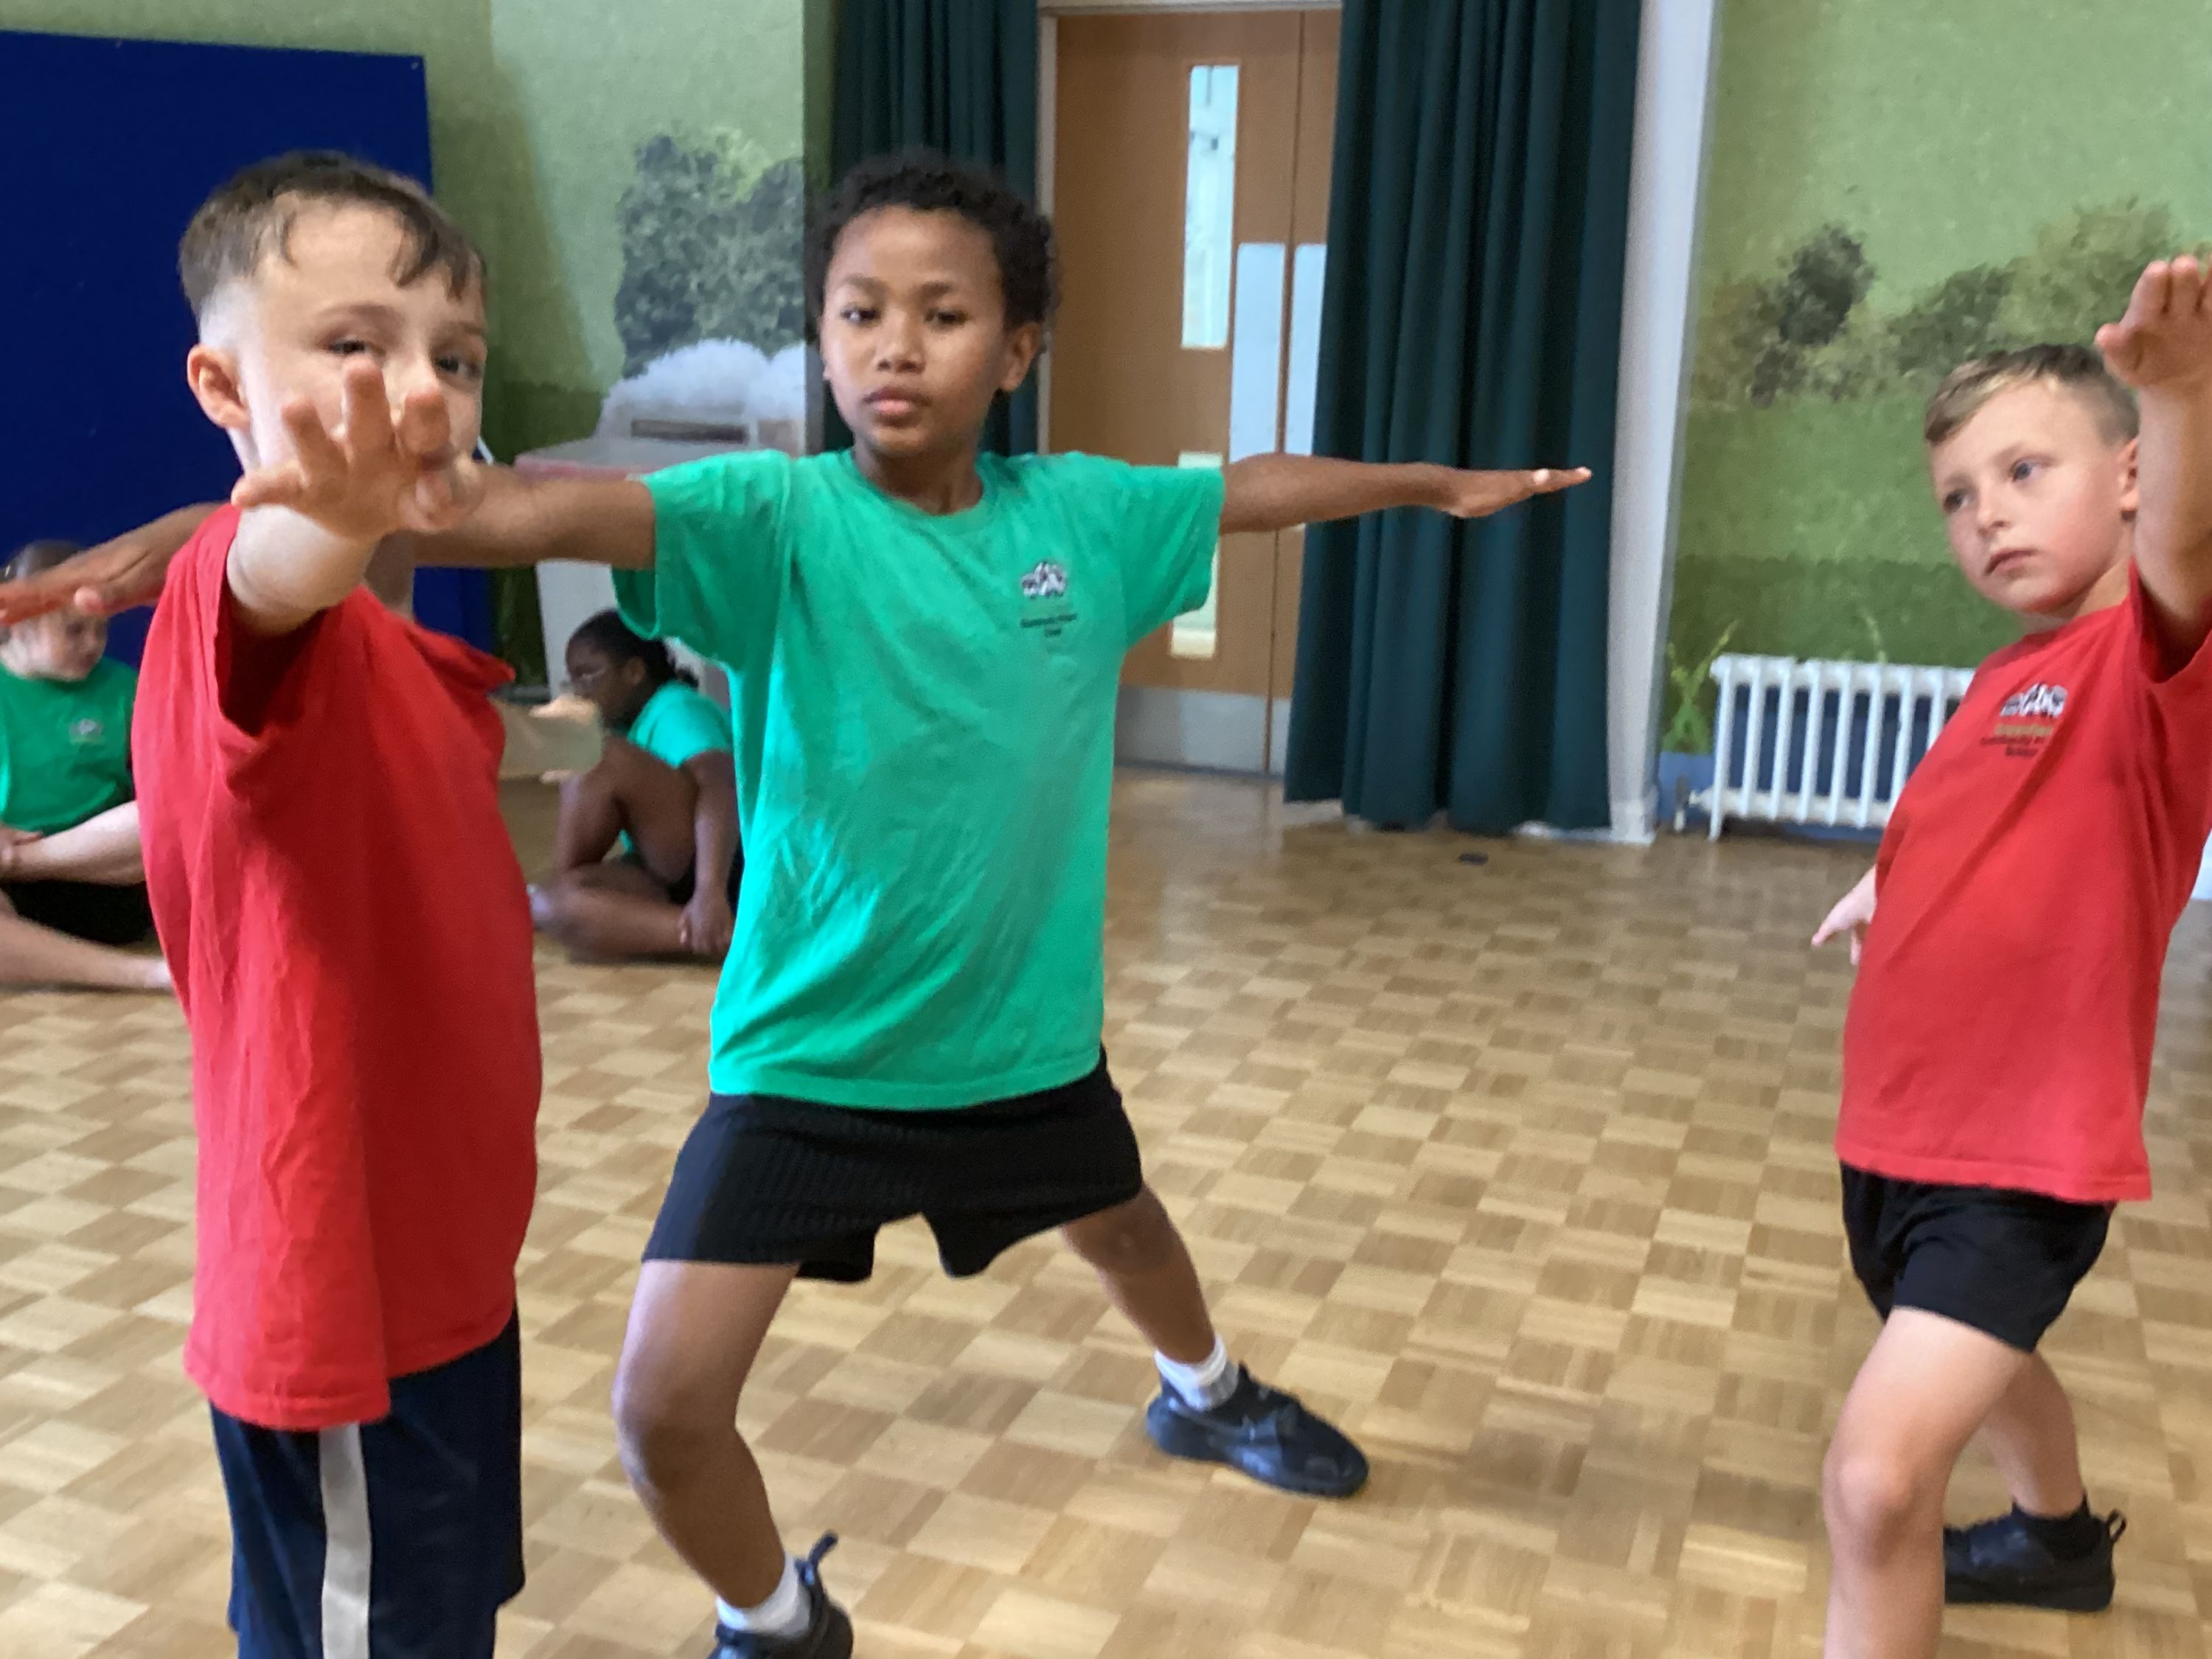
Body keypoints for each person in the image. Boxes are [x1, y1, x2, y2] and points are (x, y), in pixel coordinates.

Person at [12, 150, 1588, 1659]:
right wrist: (209, 532)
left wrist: (1426, 486)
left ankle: (1210, 1386)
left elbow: (1249, 491)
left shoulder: (1087, 519)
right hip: (809, 1062)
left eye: (944, 314)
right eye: (858, 311)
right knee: (662, 1410)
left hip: (1023, 1043)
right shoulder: (766, 519)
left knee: (1123, 1224)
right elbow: (485, 508)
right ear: (822, 338)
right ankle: (775, 1620)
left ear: (1017, 348)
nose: (895, 345)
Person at [133, 152, 539, 1658]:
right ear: (222, 385)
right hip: (349, 1308)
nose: (419, 390)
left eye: (457, 358)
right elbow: (279, 567)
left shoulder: (398, 657)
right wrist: (333, 516)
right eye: (355, 345)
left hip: (448, 1280)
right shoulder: (244, 592)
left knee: (431, 1621)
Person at [1808, 260, 2212, 1659]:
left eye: (2024, 470)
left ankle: (2028, 1541)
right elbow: (1970, 817)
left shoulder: (2151, 660)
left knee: (1875, 1485)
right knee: (1985, 1344)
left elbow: (2188, 547)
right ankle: (2054, 1541)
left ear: (2130, 478)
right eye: (1957, 497)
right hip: (1899, 1131)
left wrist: (2181, 393)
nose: (1985, 513)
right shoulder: (2005, 677)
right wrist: (1887, 881)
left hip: (2021, 1157)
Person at [0, 540, 167, 992]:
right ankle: (148, 975)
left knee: (172, 810)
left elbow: (167, 791)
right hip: (13, 899)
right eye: (74, 631)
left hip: (101, 870)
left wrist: (17, 860)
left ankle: (20, 864)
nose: (92, 644)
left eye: (101, 629)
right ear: (16, 622)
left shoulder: (125, 688)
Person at [531, 608, 740, 961]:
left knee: (598, 756)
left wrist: (709, 888)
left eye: (589, 676)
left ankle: (714, 918)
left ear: (634, 672)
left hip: (725, 863)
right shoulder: (626, 725)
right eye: (573, 681)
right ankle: (725, 936)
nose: (581, 692)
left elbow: (721, 784)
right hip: (672, 877)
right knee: (550, 904)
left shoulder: (674, 708)